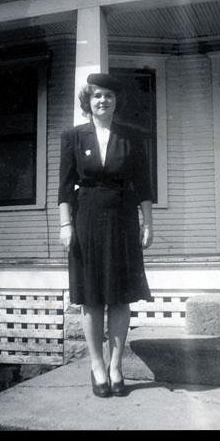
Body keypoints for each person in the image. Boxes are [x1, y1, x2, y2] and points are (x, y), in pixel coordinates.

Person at [58, 73, 154, 398]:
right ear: (89, 101)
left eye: (109, 96)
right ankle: (97, 366)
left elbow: (143, 184)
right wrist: (65, 225)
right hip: (85, 220)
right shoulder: (73, 137)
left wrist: (148, 223)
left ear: (115, 101)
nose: (103, 101)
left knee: (119, 295)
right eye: (97, 95)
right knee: (91, 296)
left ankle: (116, 366)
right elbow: (64, 187)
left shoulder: (132, 137)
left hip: (123, 218)